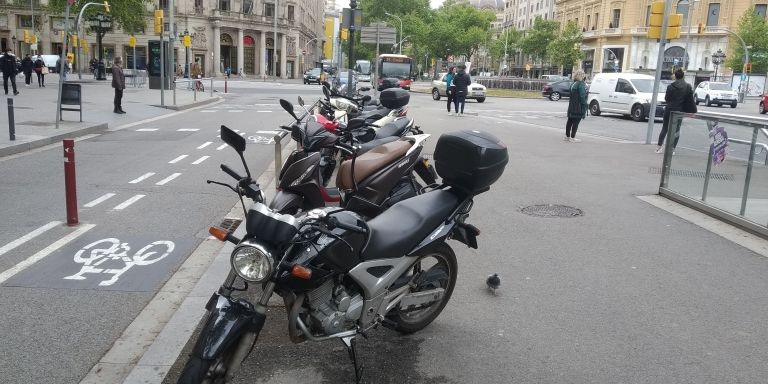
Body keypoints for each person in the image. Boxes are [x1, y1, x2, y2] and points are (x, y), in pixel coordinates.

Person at [657, 69, 694, 153]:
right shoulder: (687, 86)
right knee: (677, 130)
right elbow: (689, 99)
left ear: (675, 76)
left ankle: (659, 147)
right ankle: (672, 149)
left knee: (665, 128)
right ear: (683, 76)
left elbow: (666, 99)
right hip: (679, 111)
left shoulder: (670, 86)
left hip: (669, 109)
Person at [565, 70, 588, 143]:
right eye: (584, 74)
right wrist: (585, 104)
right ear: (582, 75)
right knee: (576, 122)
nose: (585, 76)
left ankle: (567, 136)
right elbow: (582, 96)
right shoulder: (581, 84)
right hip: (578, 107)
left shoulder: (573, 83)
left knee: (570, 121)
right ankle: (573, 137)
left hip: (572, 105)